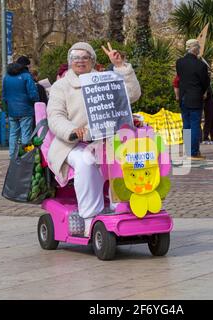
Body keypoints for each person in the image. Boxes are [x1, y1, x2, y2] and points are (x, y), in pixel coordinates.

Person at [46, 42, 141, 237]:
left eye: (85, 57)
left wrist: (121, 67)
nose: (80, 61)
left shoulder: (103, 80)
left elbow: (131, 95)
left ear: (92, 61)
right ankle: (90, 216)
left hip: (106, 139)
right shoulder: (61, 86)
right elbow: (55, 117)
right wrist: (73, 131)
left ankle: (121, 206)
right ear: (70, 61)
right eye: (75, 58)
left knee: (129, 157)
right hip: (72, 143)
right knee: (86, 160)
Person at [176, 39, 210, 160]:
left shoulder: (179, 62)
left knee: (186, 124)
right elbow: (205, 82)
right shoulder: (200, 65)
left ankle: (187, 150)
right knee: (195, 124)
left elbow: (180, 77)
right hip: (195, 97)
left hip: (183, 96)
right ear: (196, 49)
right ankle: (194, 152)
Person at [3, 56, 40, 158]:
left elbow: (4, 95)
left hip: (12, 110)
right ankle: (26, 156)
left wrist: (7, 109)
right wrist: (36, 102)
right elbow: (33, 94)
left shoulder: (7, 77)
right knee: (26, 134)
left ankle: (12, 156)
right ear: (26, 65)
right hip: (26, 110)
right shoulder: (26, 76)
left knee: (13, 134)